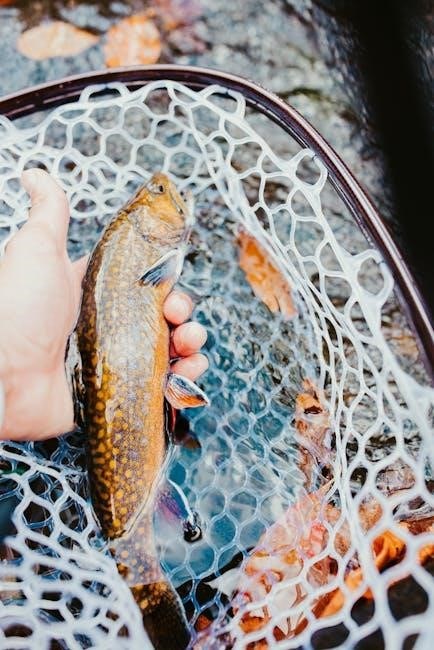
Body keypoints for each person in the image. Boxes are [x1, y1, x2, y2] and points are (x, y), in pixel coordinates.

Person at [0, 169, 208, 441]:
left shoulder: (137, 246)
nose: (163, 187)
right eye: (159, 191)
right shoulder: (136, 244)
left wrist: (12, 371)